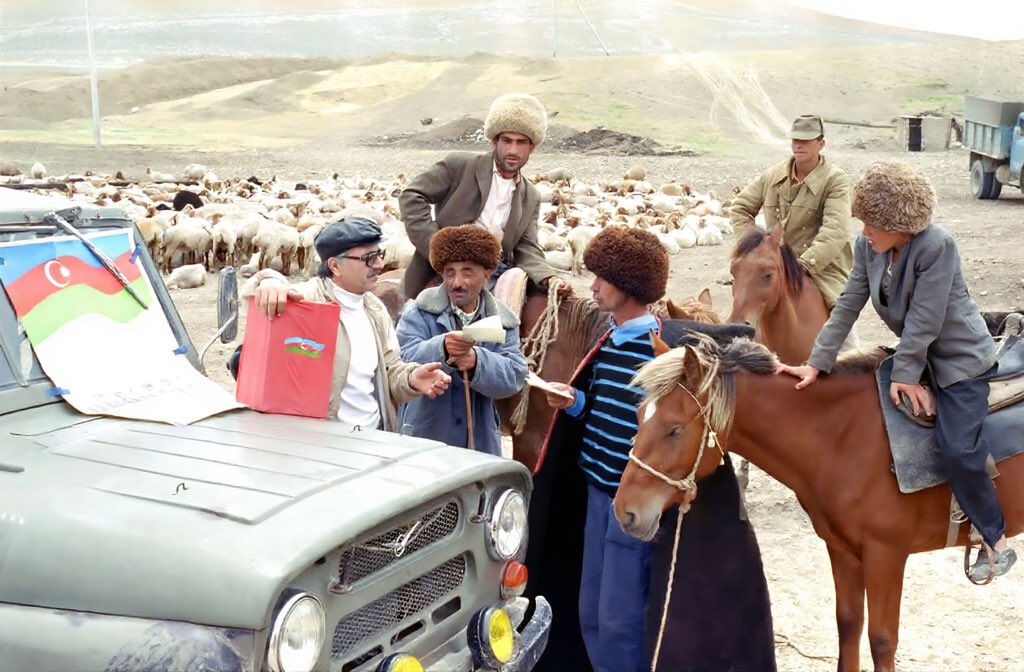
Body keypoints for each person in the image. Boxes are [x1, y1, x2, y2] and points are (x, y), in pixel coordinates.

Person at [778, 160, 1016, 583]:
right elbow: (848, 305)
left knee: (959, 447)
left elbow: (925, 319)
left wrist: (906, 374)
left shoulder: (937, 246)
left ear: (901, 224)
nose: (864, 229)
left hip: (960, 363)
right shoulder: (870, 247)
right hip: (915, 356)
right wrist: (817, 363)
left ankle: (994, 538)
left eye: (872, 222)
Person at [250, 216, 451, 431]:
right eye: (370, 258)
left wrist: (411, 378)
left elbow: (389, 369)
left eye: (379, 255)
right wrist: (269, 280)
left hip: (372, 435)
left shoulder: (375, 309)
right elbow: (268, 296)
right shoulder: (307, 301)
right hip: (324, 442)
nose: (380, 265)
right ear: (335, 266)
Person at [399, 92, 572, 299]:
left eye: (521, 142)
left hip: (493, 272)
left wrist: (549, 277)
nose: (513, 150)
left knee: (512, 323)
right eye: (507, 141)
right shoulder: (460, 165)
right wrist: (436, 246)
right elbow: (412, 195)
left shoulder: (530, 196)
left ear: (531, 147)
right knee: (415, 319)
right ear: (494, 141)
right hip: (443, 269)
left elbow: (527, 247)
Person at [396, 225, 528, 455]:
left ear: (486, 274)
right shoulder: (419, 311)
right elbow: (402, 359)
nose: (457, 282)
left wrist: (477, 361)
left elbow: (515, 375)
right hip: (424, 437)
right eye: (450, 272)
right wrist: (442, 349)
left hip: (479, 442)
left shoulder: (504, 321)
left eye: (467, 272)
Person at [730, 113, 853, 308]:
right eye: (795, 140)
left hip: (821, 268)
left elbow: (836, 230)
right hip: (773, 264)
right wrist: (753, 248)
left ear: (821, 144)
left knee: (840, 318)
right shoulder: (772, 176)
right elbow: (740, 208)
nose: (799, 145)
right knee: (742, 307)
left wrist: (804, 265)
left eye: (806, 140)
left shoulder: (835, 181)